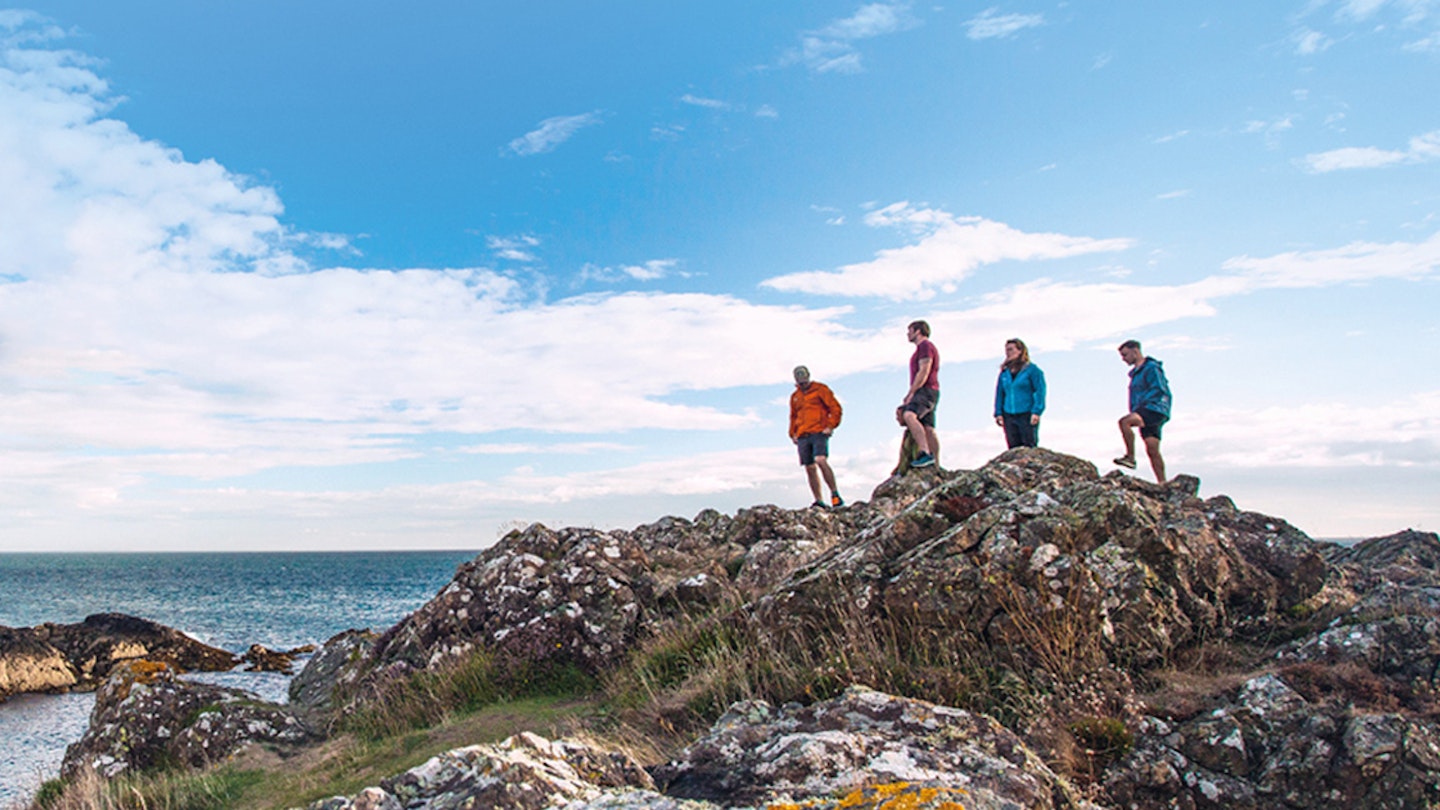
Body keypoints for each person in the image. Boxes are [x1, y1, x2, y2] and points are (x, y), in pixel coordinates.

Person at [1114, 339, 1171, 483]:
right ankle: (1162, 482)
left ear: (1135, 351)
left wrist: (1144, 406)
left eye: (1125, 355)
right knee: (1152, 449)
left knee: (1124, 422)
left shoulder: (1151, 368)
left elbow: (1159, 388)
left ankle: (1130, 457)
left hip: (1153, 408)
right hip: (1149, 409)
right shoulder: (1135, 373)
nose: (1124, 359)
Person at [788, 365, 844, 508]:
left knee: (820, 460)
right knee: (809, 467)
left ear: (808, 376)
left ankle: (835, 494)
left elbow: (835, 408)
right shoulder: (795, 397)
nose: (803, 383)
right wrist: (792, 433)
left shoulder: (820, 389)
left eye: (804, 380)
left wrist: (831, 426)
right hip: (802, 434)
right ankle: (819, 500)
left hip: (819, 431)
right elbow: (793, 416)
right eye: (800, 381)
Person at [900, 320, 940, 468]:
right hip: (932, 390)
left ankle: (925, 452)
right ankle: (935, 462)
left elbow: (924, 370)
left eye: (909, 330)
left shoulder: (925, 346)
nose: (907, 334)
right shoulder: (923, 348)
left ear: (918, 331)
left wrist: (912, 392)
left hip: (925, 390)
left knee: (909, 415)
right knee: (928, 428)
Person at [994, 338, 1046, 449]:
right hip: (1009, 414)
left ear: (1020, 351)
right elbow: (1000, 393)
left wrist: (1037, 411)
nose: (1008, 353)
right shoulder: (1004, 373)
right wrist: (998, 413)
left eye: (1011, 349)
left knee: (1029, 446)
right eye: (1006, 350)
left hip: (1026, 414)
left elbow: (1040, 391)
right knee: (1013, 448)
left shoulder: (1032, 370)